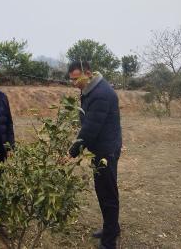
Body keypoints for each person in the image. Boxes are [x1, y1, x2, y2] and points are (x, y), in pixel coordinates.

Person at [67, 61, 122, 249]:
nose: (74, 83)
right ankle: (111, 228)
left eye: (76, 79)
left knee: (107, 193)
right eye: (71, 80)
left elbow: (90, 128)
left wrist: (72, 151)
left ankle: (109, 241)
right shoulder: (91, 88)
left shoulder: (101, 94)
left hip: (106, 150)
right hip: (100, 147)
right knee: (104, 191)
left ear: (87, 73)